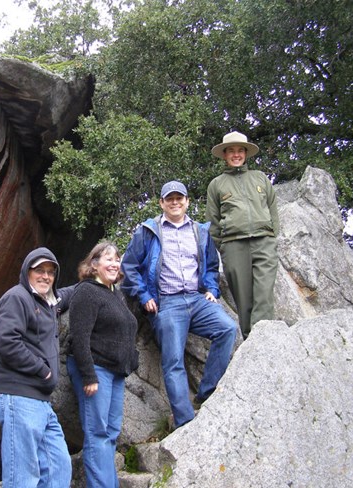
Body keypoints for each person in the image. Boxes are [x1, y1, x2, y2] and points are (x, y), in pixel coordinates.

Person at [121, 181, 237, 428]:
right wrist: (144, 296)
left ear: (187, 202)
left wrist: (212, 290)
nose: (175, 202)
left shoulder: (200, 231)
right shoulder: (148, 231)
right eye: (169, 199)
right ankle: (185, 421)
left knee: (227, 328)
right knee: (173, 361)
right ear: (161, 203)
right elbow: (129, 266)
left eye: (179, 198)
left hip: (197, 299)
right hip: (167, 303)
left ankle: (207, 393)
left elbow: (212, 266)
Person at [0, 247, 75, 488]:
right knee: (23, 478)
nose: (45, 276)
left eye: (50, 272)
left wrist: (95, 279)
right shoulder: (17, 297)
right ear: (27, 271)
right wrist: (43, 370)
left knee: (59, 467)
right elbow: (6, 342)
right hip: (18, 397)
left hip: (41, 402)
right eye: (39, 270)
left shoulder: (49, 303)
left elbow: (67, 294)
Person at [66, 241, 139, 488]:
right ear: (94, 265)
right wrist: (89, 376)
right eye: (108, 259)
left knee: (110, 434)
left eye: (117, 260)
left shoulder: (114, 293)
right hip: (95, 370)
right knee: (97, 433)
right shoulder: (86, 291)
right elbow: (79, 337)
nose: (114, 264)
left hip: (116, 373)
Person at [206, 131, 279, 340]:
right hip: (233, 245)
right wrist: (225, 248)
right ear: (225, 155)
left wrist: (272, 236)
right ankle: (250, 341)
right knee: (244, 298)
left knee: (264, 293)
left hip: (264, 241)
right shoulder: (217, 184)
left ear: (246, 153)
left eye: (240, 150)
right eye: (231, 151)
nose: (236, 154)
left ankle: (263, 338)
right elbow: (213, 220)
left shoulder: (260, 178)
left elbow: (273, 208)